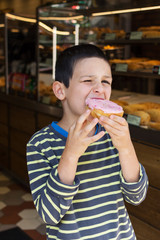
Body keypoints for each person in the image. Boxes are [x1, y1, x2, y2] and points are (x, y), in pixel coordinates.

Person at [27, 44, 148, 240]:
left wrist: (126, 148)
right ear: (60, 90)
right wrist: (71, 154)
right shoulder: (41, 144)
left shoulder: (111, 135)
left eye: (106, 81)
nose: (99, 89)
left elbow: (137, 196)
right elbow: (49, 215)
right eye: (88, 80)